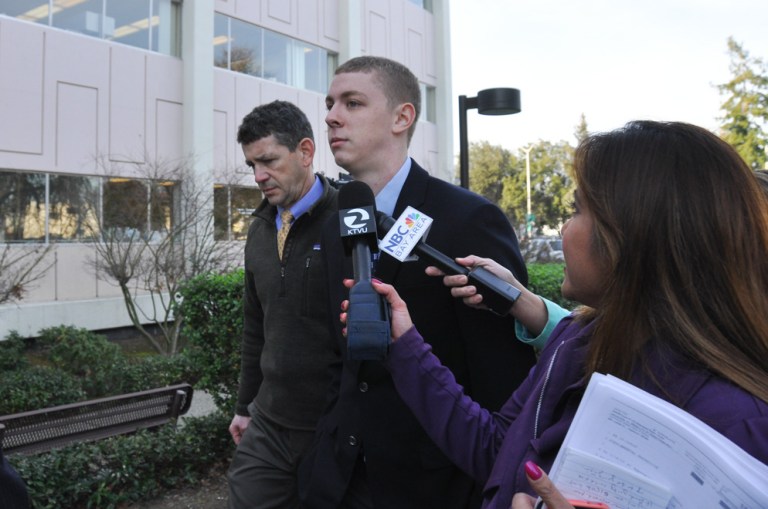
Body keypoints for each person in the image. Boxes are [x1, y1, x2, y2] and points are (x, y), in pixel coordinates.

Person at [340, 120, 768, 509]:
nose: (563, 227)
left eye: (579, 210)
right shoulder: (575, 340)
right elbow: (497, 451)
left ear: (631, 236)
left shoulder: (736, 420)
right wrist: (405, 344)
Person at [298, 56, 536, 509]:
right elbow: (340, 358)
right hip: (339, 480)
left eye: (352, 103)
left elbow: (504, 382)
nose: (331, 116)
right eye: (330, 103)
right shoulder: (334, 227)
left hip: (435, 485)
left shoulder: (469, 219)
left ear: (401, 117)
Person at [226, 100, 339, 509]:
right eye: (252, 165)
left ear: (305, 152)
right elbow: (255, 327)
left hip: (333, 424)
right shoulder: (258, 230)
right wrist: (244, 408)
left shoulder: (350, 219)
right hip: (269, 423)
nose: (259, 176)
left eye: (269, 161)